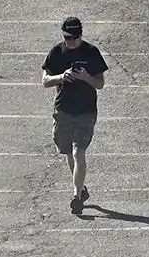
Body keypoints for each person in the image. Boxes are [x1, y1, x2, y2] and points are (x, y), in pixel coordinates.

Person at [40, 16, 109, 215]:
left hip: (85, 111)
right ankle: (81, 189)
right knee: (68, 152)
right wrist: (62, 77)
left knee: (79, 152)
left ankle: (76, 196)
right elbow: (45, 81)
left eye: (74, 38)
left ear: (80, 34)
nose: (71, 42)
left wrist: (85, 77)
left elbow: (100, 84)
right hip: (63, 110)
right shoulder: (57, 52)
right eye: (67, 38)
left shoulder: (91, 52)